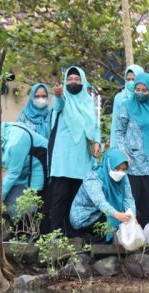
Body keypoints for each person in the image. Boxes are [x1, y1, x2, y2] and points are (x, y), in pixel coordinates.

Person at [111, 71, 149, 227]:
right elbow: (119, 131)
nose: (139, 93)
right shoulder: (127, 106)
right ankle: (131, 239)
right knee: (131, 202)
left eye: (144, 90)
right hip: (132, 163)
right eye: (137, 90)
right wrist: (122, 151)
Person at [48, 66, 102, 236]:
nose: (73, 82)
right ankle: (56, 233)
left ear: (83, 81)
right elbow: (58, 104)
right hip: (63, 159)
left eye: (77, 79)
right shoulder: (63, 99)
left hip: (82, 158)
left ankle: (72, 232)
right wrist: (57, 94)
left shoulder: (88, 102)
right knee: (60, 195)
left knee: (76, 197)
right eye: (70, 79)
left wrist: (98, 143)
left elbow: (94, 127)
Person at [0, 122, 49, 218]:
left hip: (39, 163)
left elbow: (13, 173)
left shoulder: (16, 141)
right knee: (10, 196)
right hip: (22, 167)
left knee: (29, 201)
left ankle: (31, 228)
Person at [69, 148, 136, 241]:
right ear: (109, 165)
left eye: (124, 169)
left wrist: (132, 216)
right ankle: (94, 243)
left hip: (104, 212)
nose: (120, 172)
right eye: (117, 168)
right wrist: (117, 215)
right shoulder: (93, 178)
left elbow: (128, 198)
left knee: (131, 216)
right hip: (86, 218)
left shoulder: (123, 177)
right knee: (113, 221)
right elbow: (100, 202)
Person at [109, 64, 145, 147]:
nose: (131, 82)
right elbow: (115, 124)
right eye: (128, 79)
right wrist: (114, 147)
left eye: (134, 79)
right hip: (125, 147)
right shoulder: (119, 98)